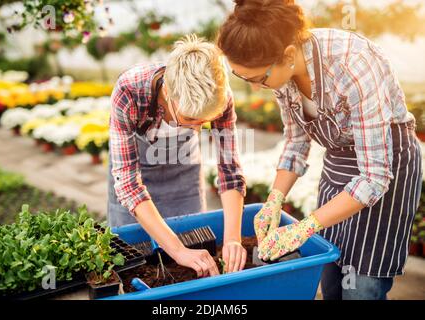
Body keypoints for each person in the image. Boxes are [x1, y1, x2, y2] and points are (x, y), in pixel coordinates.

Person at [217, 0, 423, 299]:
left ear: (288, 55)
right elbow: (297, 141)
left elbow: (375, 178)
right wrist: (274, 199)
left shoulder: (353, 64)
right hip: (339, 162)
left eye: (258, 78)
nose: (255, 88)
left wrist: (304, 227)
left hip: (386, 165)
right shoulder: (282, 73)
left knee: (362, 284)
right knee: (331, 272)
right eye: (243, 78)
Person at [108, 34, 248, 277]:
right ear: (170, 95)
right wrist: (178, 251)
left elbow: (230, 170)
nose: (197, 128)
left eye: (206, 120)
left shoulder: (220, 94)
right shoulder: (129, 90)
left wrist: (233, 239)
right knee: (134, 262)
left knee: (195, 244)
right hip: (137, 170)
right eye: (191, 119)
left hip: (184, 170)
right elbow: (129, 184)